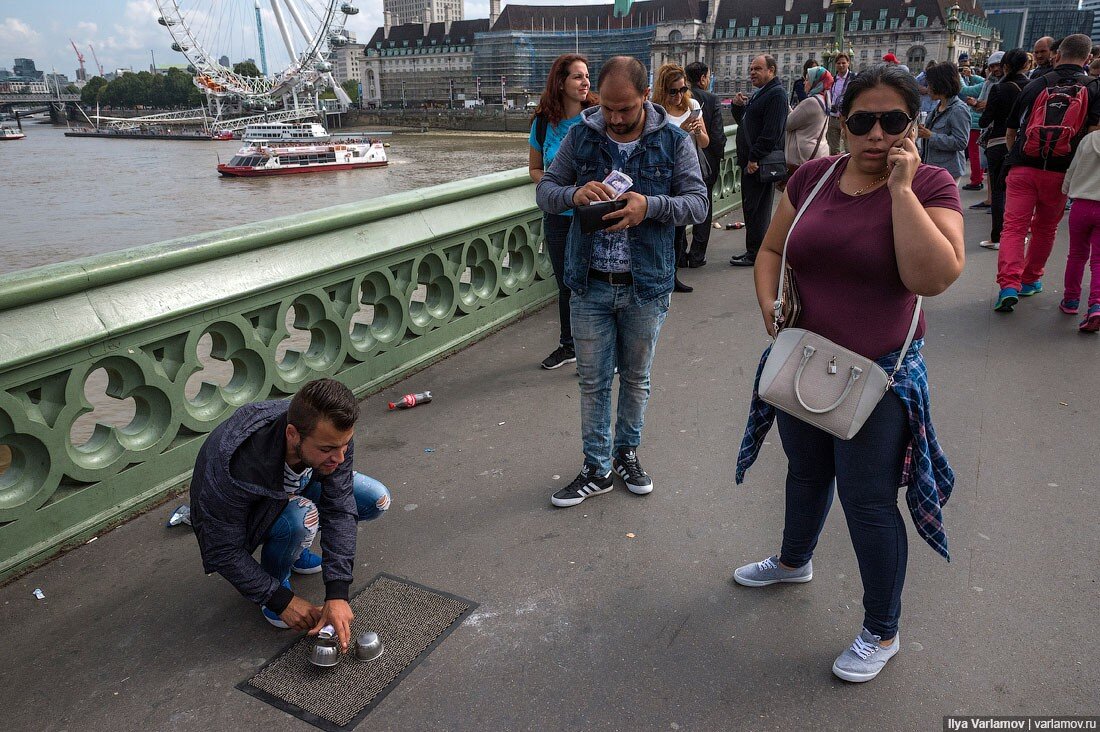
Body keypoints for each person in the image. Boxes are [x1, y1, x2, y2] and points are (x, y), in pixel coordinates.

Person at [734, 63, 964, 683]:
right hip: (804, 360)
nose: (877, 134)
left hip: (879, 377)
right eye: (863, 121)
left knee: (867, 503)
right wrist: (768, 305)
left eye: (893, 121)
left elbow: (932, 278)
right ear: (843, 122)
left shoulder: (935, 185)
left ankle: (881, 631)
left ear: (912, 125)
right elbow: (772, 249)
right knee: (805, 473)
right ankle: (793, 560)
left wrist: (901, 190)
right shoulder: (812, 178)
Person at [535, 55, 707, 507]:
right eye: (607, 108)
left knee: (636, 377)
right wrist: (574, 193)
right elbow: (545, 191)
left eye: (625, 109)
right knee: (593, 381)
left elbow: (697, 204)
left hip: (645, 285)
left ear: (646, 97)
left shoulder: (673, 141)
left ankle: (626, 452)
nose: (613, 118)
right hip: (589, 282)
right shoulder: (580, 135)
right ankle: (597, 467)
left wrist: (647, 207)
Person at [189, 379, 391, 651]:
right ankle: (276, 578)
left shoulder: (331, 436)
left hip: (289, 487)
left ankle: (295, 549)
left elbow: (340, 508)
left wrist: (338, 593)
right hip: (250, 513)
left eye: (344, 446)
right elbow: (221, 550)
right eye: (328, 450)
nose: (340, 458)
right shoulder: (235, 466)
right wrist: (280, 600)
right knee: (302, 517)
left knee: (377, 499)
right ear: (292, 434)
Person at [996, 34, 1100, 312]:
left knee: (1014, 228)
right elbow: (1093, 139)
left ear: (1057, 55)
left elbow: (1010, 131)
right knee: (1045, 228)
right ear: (1087, 59)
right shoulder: (1094, 88)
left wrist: (1018, 155)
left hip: (1023, 166)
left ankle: (1008, 285)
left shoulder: (1035, 85)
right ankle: (1030, 280)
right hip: (1061, 172)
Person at [529, 54, 598, 370]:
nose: (585, 82)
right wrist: (557, 189)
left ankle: (597, 349)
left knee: (594, 281)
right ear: (560, 82)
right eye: (577, 77)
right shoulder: (543, 122)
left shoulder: (597, 119)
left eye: (587, 76)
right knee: (566, 284)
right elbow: (534, 168)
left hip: (591, 214)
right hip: (558, 215)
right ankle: (568, 345)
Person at [652, 63, 710, 293]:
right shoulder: (657, 111)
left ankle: (673, 275)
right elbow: (657, 146)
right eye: (673, 91)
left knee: (679, 231)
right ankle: (664, 276)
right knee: (666, 229)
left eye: (682, 89)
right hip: (664, 175)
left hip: (687, 173)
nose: (679, 96)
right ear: (663, 90)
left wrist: (696, 130)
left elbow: (705, 143)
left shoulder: (693, 105)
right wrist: (682, 131)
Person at [729, 54, 789, 267]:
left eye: (757, 69)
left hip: (758, 164)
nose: (752, 72)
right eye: (751, 69)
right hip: (751, 162)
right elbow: (746, 125)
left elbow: (772, 132)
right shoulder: (761, 93)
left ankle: (756, 253)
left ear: (771, 71)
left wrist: (755, 157)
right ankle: (753, 250)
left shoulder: (776, 95)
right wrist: (737, 107)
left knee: (758, 208)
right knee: (751, 207)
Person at [977, 49, 1029, 250]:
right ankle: (1018, 235)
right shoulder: (1034, 86)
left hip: (998, 142)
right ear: (1026, 65)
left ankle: (997, 236)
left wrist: (982, 108)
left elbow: (985, 120)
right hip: (1023, 144)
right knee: (1020, 192)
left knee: (999, 190)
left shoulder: (999, 89)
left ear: (1005, 66)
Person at [684, 60, 727, 268]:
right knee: (704, 206)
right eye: (708, 76)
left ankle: (679, 253)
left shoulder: (681, 97)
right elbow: (717, 135)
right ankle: (697, 254)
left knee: (681, 204)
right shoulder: (710, 99)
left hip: (683, 162)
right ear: (702, 79)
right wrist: (717, 157)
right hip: (705, 162)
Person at [1060, 130, 1100, 331]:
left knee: (1076, 255)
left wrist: (1065, 190)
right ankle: (1096, 304)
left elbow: (1073, 167)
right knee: (1099, 261)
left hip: (1081, 205)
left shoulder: (1089, 139)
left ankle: (1071, 300)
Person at [917, 62, 971, 184]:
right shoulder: (939, 106)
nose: (928, 88)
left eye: (930, 84)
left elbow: (961, 142)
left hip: (947, 171)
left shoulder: (958, 109)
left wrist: (931, 136)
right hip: (933, 168)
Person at [968, 51, 1005, 210]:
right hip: (988, 129)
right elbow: (981, 106)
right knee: (990, 167)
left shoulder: (1008, 83)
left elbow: (990, 106)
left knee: (1001, 169)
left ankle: (999, 201)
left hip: (1003, 131)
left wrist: (983, 105)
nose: (996, 69)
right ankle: (991, 199)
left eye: (998, 65)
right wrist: (977, 104)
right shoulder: (989, 83)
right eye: (992, 66)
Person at [784, 65, 832, 175]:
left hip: (803, 156)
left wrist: (784, 105)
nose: (804, 83)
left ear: (815, 81)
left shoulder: (811, 102)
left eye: (807, 79)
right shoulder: (825, 99)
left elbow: (788, 124)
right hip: (820, 151)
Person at [827, 53, 855, 154]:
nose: (841, 65)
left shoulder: (853, 79)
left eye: (844, 63)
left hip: (847, 118)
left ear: (848, 63)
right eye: (838, 63)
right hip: (833, 117)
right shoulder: (833, 80)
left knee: (849, 148)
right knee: (833, 149)